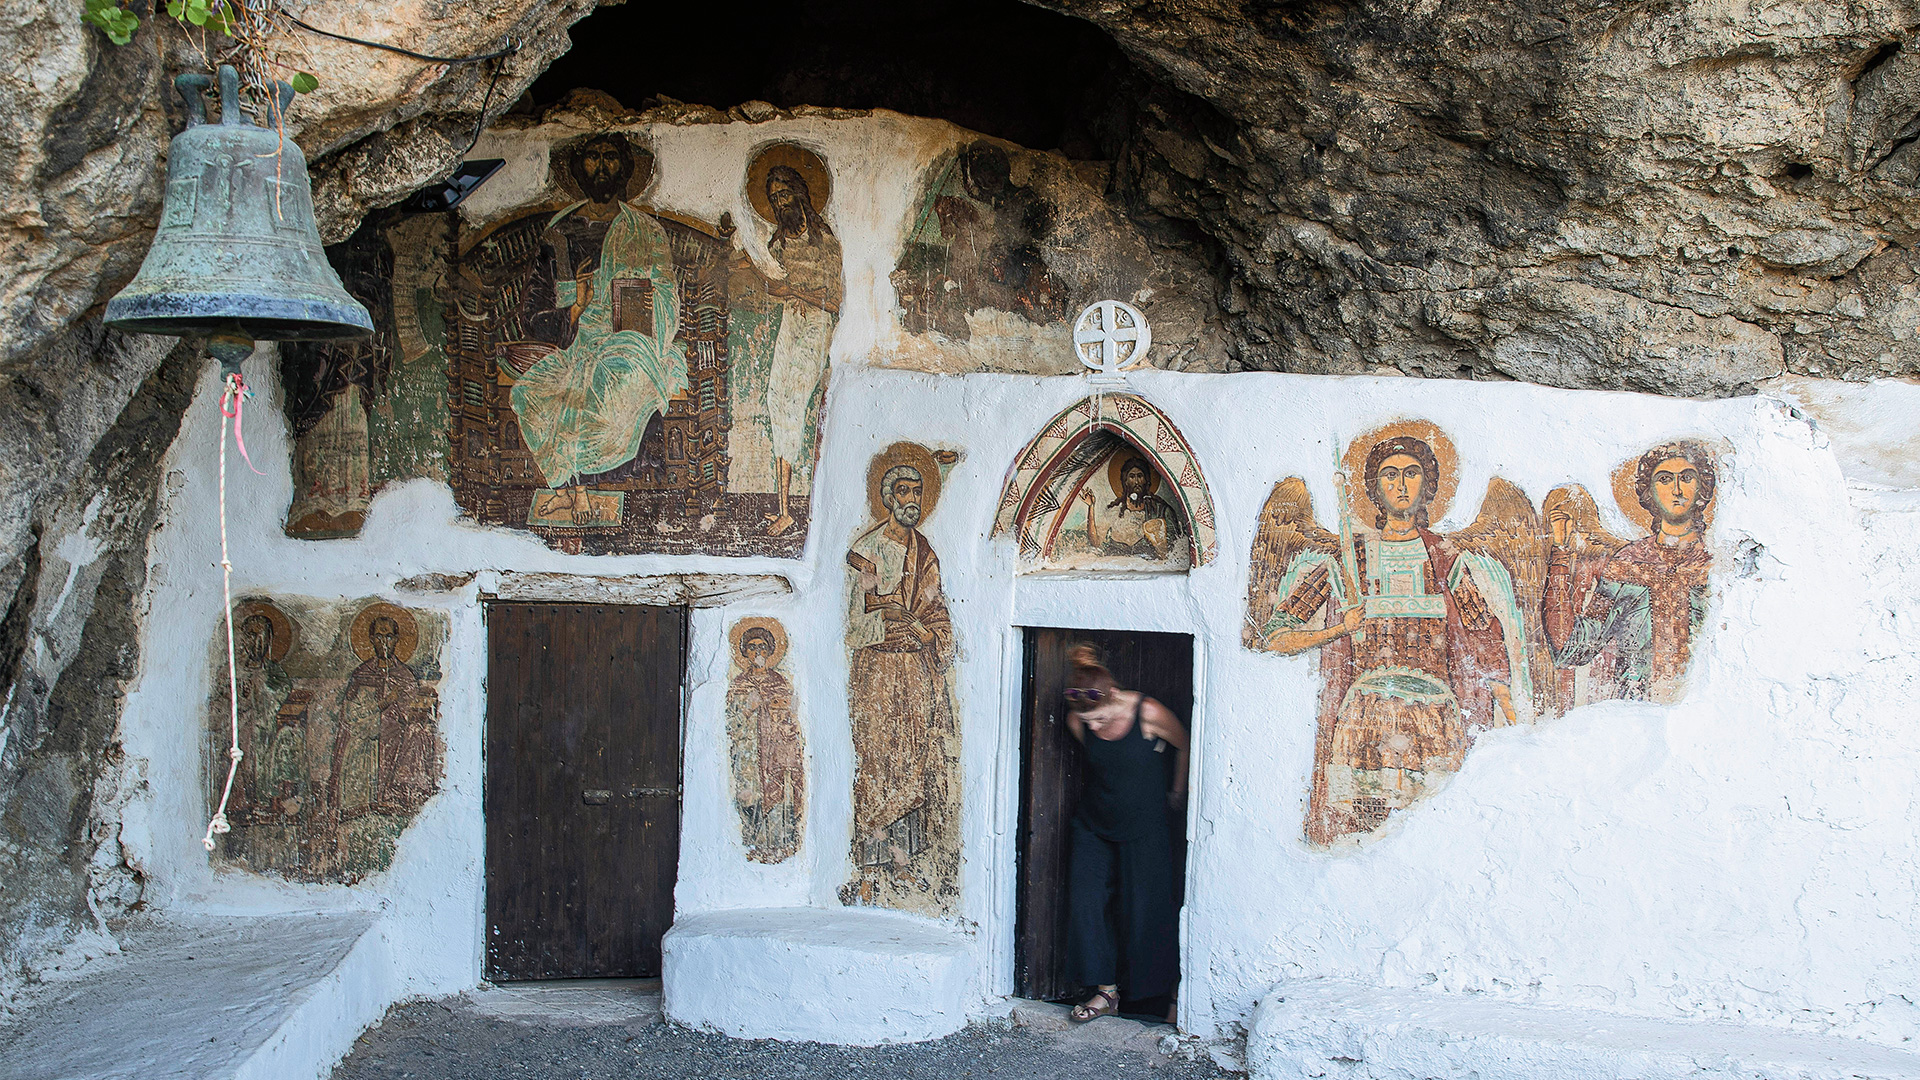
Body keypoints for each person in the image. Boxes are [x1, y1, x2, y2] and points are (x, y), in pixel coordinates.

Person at [1063, 644, 1188, 1023]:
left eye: (1100, 719)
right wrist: (1089, 724)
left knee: (1147, 908)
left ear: (1114, 696)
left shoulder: (1147, 712)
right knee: (1085, 901)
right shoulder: (1078, 721)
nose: (1094, 727)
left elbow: (1183, 744)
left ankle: (1162, 996)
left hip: (1145, 824)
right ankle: (1106, 991)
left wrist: (1177, 793)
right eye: (1088, 722)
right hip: (1094, 823)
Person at [1545, 441, 1715, 704]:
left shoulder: (1715, 565)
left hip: (1707, 706)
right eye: (1665, 480)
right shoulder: (1627, 565)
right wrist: (1559, 556)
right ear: (1649, 493)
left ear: (1702, 487)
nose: (1677, 490)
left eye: (1687, 478)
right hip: (1635, 715)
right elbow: (1572, 647)